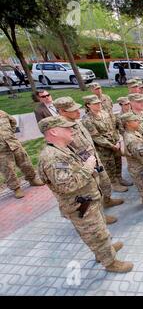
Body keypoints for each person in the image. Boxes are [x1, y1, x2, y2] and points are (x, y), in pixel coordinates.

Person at [37, 116, 133, 273]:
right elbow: (68, 186)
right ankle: (110, 263)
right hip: (80, 206)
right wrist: (88, 167)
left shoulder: (63, 149)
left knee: (99, 230)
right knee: (96, 235)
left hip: (89, 200)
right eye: (66, 128)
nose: (71, 130)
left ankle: (104, 251)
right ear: (53, 131)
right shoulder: (52, 157)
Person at [53, 97, 124, 213]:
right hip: (83, 166)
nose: (78, 111)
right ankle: (100, 215)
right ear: (62, 111)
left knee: (104, 182)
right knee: (92, 191)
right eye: (73, 109)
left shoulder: (76, 122)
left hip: (93, 158)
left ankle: (107, 200)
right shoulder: (61, 129)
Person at [82, 95, 129, 193]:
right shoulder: (87, 120)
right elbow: (96, 136)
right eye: (95, 104)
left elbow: (113, 128)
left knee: (118, 162)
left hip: (115, 144)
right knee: (109, 165)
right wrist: (111, 145)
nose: (98, 105)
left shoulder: (105, 113)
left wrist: (117, 141)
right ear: (88, 105)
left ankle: (119, 178)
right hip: (103, 148)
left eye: (99, 103)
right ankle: (114, 183)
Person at [0, 110, 44, 198]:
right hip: (2, 150)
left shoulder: (2, 113)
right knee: (8, 170)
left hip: (14, 144)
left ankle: (32, 179)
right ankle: (16, 188)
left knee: (25, 163)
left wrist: (10, 133)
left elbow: (13, 121)